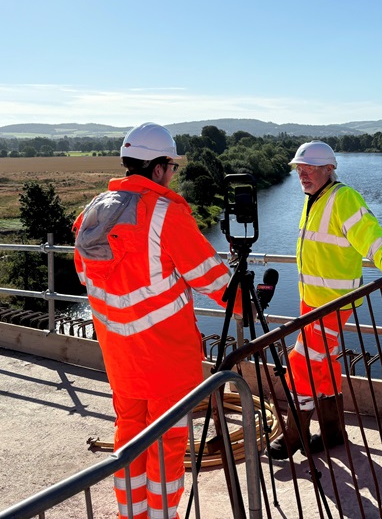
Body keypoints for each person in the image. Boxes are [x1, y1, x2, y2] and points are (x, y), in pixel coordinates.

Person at [72, 122, 240, 519]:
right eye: (172, 168)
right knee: (167, 442)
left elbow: (87, 275)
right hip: (167, 356)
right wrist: (247, 302)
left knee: (129, 437)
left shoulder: (93, 211)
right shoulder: (165, 213)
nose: (173, 177)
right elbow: (210, 278)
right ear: (160, 167)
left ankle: (132, 516)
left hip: (120, 357)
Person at [269, 140, 382, 460]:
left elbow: (369, 232)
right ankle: (333, 434)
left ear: (329, 169)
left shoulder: (343, 198)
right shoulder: (314, 198)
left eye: (310, 169)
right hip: (313, 300)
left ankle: (295, 435)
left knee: (301, 362)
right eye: (299, 170)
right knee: (326, 364)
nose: (303, 175)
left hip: (331, 304)